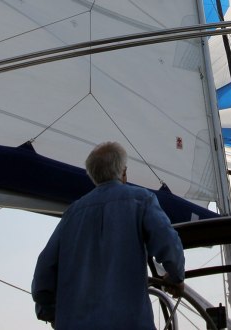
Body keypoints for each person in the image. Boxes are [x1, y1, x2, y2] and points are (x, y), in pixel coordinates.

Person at [32, 141, 185, 329]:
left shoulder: (71, 214)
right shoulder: (142, 200)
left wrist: (50, 312)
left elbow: (43, 273)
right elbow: (169, 244)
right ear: (124, 172)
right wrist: (176, 278)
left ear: (93, 176)